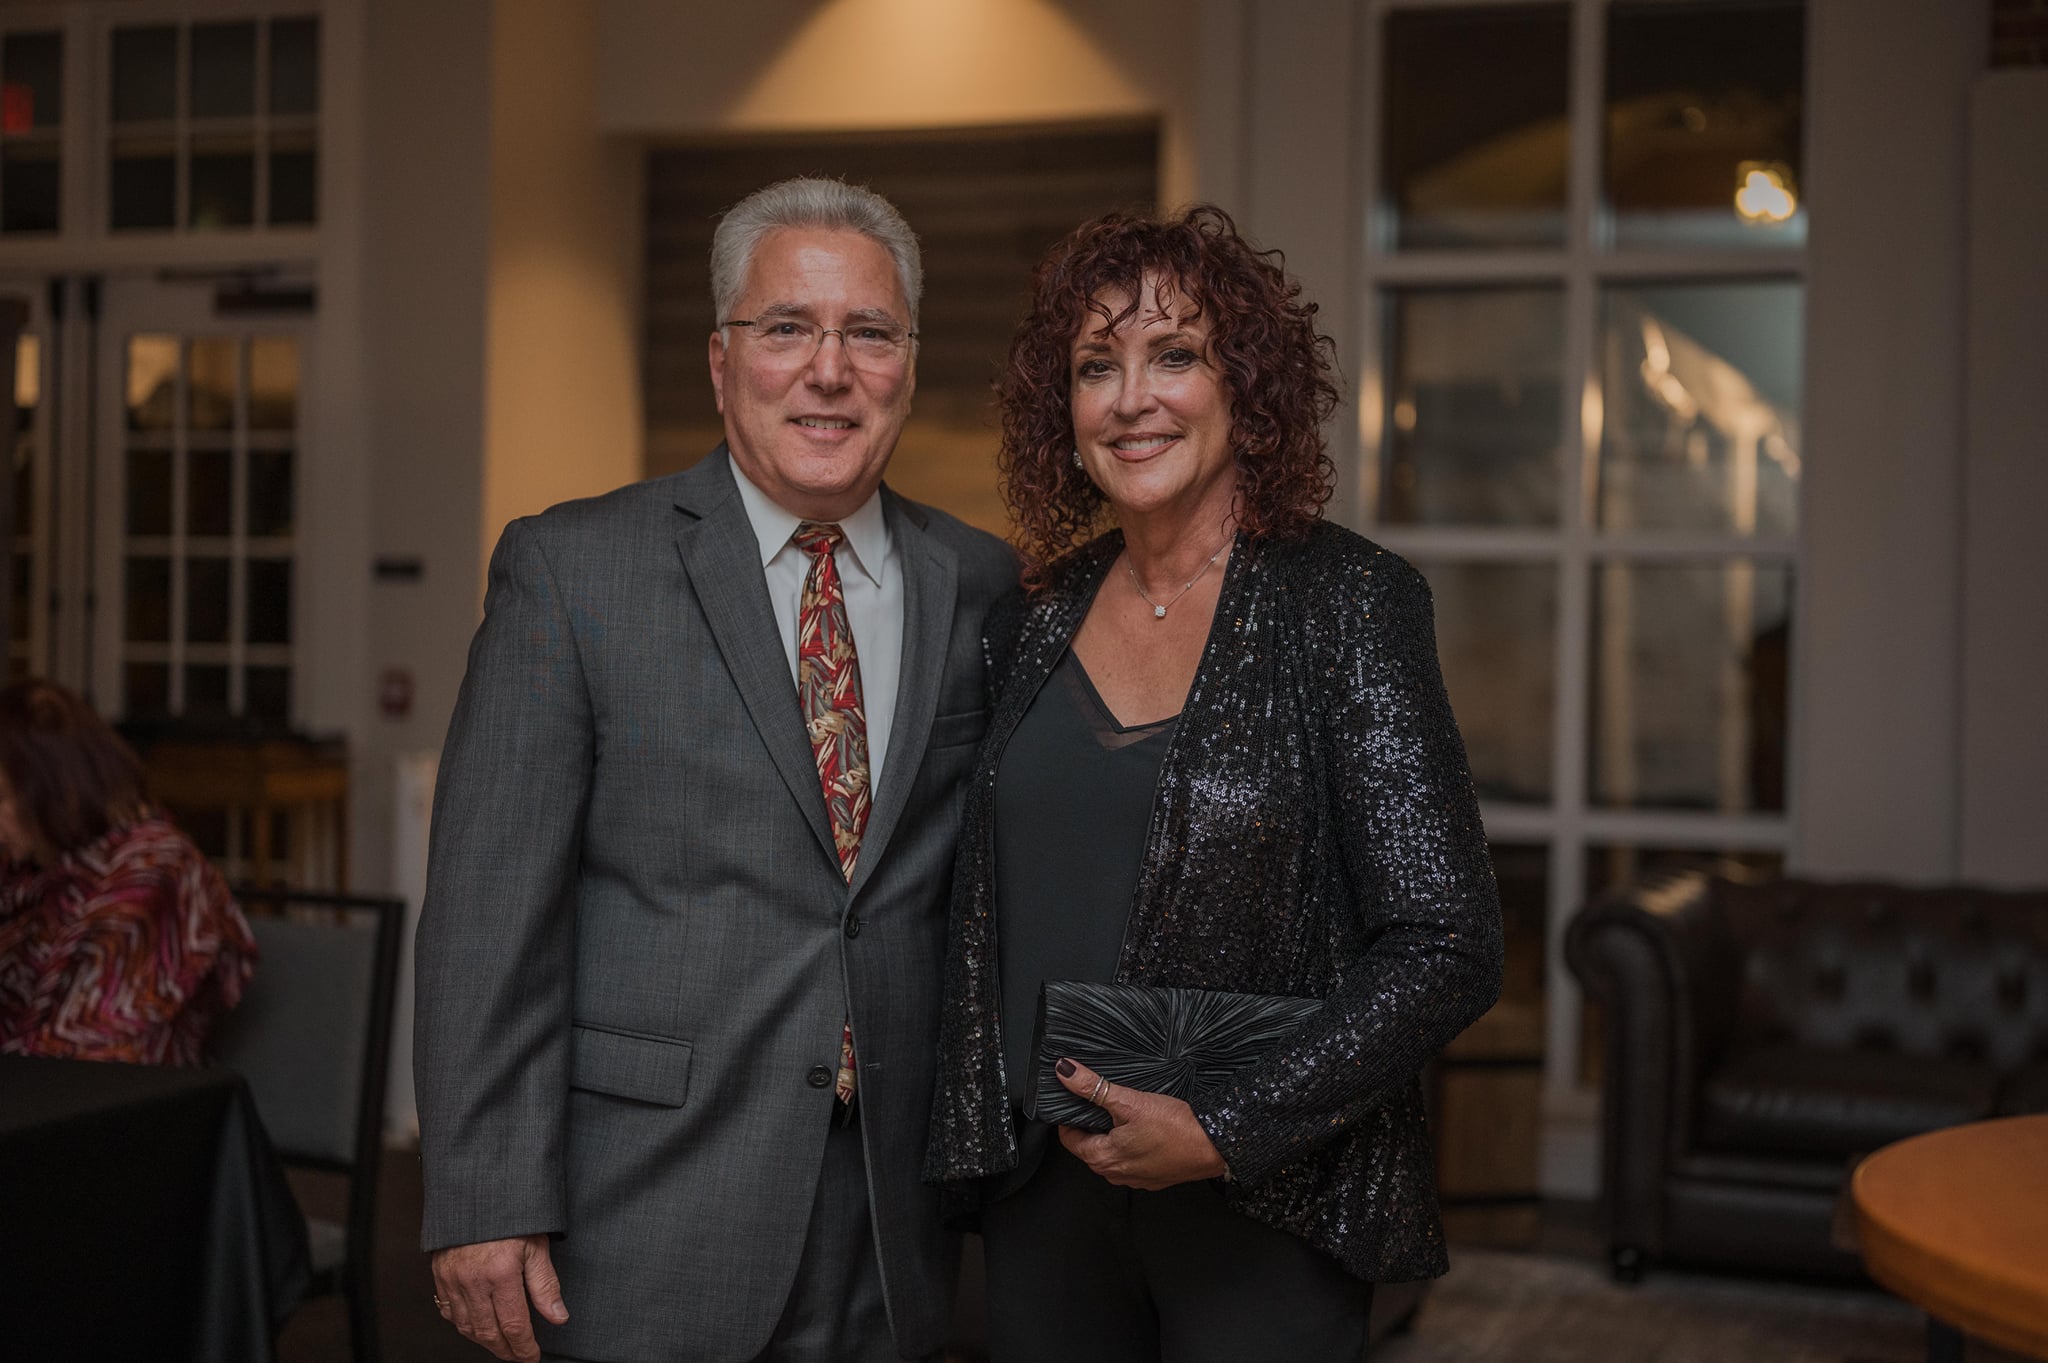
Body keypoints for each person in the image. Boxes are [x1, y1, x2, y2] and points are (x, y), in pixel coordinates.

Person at [414, 177, 1016, 1363]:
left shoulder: (982, 584)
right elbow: (490, 914)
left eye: (868, 333)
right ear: (720, 359)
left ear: (907, 365)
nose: (828, 370)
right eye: (786, 327)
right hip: (647, 1203)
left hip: (894, 1214)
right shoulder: (572, 570)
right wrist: (483, 1194)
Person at [924, 205, 1505, 1362]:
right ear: (1061, 410)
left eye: (1173, 355)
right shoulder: (1027, 619)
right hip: (1043, 1192)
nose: (1130, 399)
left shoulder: (1347, 604)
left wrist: (1223, 1127)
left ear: (1244, 385)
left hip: (1259, 1200)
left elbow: (1446, 945)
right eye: (1096, 366)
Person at [0, 677, 254, 1066]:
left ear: (55, 788)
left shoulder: (152, 873)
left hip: (116, 1094)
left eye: (1, 796)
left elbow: (83, 1055)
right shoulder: (33, 866)